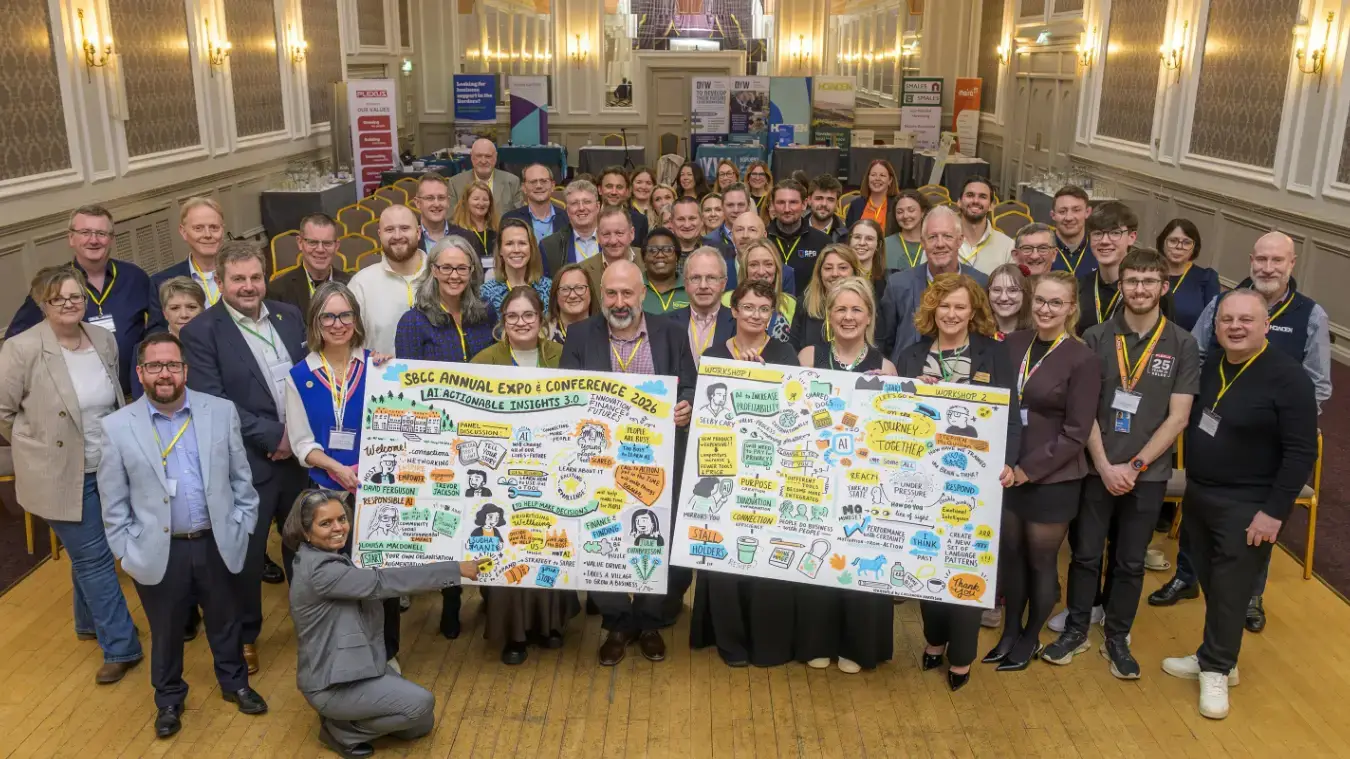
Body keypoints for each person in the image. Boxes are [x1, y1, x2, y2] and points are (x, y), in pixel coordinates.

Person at [1151, 231, 1332, 625]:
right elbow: (1195, 356)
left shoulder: (1310, 314)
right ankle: (1187, 577)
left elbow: (1318, 382)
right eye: (1261, 260)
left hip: (1266, 441)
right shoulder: (1221, 303)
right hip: (1212, 430)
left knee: (1254, 527)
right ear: (1250, 260)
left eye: (1277, 261)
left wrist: (1287, 422)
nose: (1267, 268)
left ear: (1292, 264)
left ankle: (1250, 597)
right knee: (1198, 507)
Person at [1041, 248, 1199, 679]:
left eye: (1150, 281)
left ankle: (1118, 635)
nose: (1140, 289)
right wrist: (1107, 465)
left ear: (1163, 287)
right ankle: (1076, 628)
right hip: (1096, 468)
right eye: (1133, 281)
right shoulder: (1094, 337)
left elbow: (1179, 416)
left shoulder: (1183, 343)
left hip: (1148, 475)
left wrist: (1135, 466)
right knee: (1086, 554)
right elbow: (1083, 409)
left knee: (1130, 560)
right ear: (1122, 285)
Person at [98, 332, 264, 737]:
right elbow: (113, 501)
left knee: (226, 621)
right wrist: (127, 550)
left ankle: (235, 683)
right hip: (158, 549)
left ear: (185, 369)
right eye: (154, 366)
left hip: (217, 540)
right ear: (140, 373)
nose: (165, 374)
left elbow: (242, 480)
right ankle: (169, 699)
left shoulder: (220, 412)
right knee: (167, 629)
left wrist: (243, 526)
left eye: (172, 365)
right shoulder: (117, 427)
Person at [1161, 289, 1316, 720]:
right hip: (1201, 493)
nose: (1235, 326)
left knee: (1231, 589)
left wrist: (1274, 512)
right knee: (1211, 580)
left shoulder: (1289, 378)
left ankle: (1217, 668)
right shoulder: (1211, 367)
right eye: (1227, 319)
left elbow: (1302, 453)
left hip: (1250, 504)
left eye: (1246, 320)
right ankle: (1215, 653)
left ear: (1266, 325)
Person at [0, 265, 144, 683]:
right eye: (58, 298)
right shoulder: (21, 349)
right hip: (59, 471)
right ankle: (121, 646)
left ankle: (86, 622)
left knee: (91, 552)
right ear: (42, 304)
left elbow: (114, 398)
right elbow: (3, 414)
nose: (69, 303)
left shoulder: (102, 338)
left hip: (107, 462)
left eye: (75, 296)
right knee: (95, 558)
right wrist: (37, 443)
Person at [181, 241, 308, 675]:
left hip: (301, 459)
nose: (248, 286)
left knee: (304, 547)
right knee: (247, 558)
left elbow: (314, 374)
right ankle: (246, 636)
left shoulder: (289, 317)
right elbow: (213, 402)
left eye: (255, 277)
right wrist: (275, 437)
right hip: (248, 464)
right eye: (238, 279)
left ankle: (310, 621)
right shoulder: (201, 332)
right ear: (220, 281)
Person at [559, 261, 695, 666]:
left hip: (658, 462)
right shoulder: (581, 334)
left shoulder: (670, 332)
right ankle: (617, 621)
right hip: (599, 463)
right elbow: (569, 391)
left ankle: (650, 620)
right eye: (612, 294)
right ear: (602, 296)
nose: (620, 303)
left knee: (658, 540)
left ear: (642, 294)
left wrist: (685, 404)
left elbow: (687, 381)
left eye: (628, 294)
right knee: (604, 539)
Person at [895, 273, 1020, 691]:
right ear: (933, 309)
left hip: (978, 484)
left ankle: (962, 656)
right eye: (944, 305)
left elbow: (1012, 417)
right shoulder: (912, 355)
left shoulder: (993, 354)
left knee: (966, 564)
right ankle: (934, 639)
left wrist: (1010, 463)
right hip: (923, 480)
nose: (951, 313)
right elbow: (896, 413)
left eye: (960, 307)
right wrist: (917, 393)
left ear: (973, 312)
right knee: (927, 559)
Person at [286, 489, 480, 757]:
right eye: (325, 523)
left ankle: (347, 720)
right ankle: (341, 732)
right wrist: (453, 569)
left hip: (356, 667)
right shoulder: (322, 571)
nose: (338, 528)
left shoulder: (320, 555)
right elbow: (381, 583)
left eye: (342, 519)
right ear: (305, 531)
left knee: (421, 725)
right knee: (422, 704)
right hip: (332, 684)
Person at [983, 271, 1100, 672]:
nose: (1046, 310)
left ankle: (1031, 636)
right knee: (1012, 557)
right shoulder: (1013, 343)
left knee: (1041, 562)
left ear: (1071, 308)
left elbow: (1076, 433)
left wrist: (1027, 471)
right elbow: (992, 401)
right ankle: (1009, 631)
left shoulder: (1082, 358)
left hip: (1052, 476)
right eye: (1040, 301)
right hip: (1007, 470)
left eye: (1056, 303)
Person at [689, 279, 798, 667]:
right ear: (733, 311)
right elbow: (704, 409)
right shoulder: (715, 353)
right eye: (748, 307)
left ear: (773, 315)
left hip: (770, 469)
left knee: (766, 553)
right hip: (723, 466)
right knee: (724, 556)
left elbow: (794, 411)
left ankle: (766, 640)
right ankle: (730, 642)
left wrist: (764, 375)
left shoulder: (784, 353)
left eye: (764, 309)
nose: (755, 315)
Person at [471, 287, 580, 663]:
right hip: (501, 472)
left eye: (529, 315)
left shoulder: (564, 357)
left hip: (553, 469)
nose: (521, 322)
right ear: (503, 322)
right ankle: (513, 634)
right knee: (510, 547)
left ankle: (549, 623)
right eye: (513, 316)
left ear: (542, 319)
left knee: (549, 543)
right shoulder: (484, 360)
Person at [394, 236, 495, 639]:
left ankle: (492, 590)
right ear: (432, 271)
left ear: (473, 272)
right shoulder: (413, 321)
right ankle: (451, 598)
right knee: (451, 522)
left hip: (487, 433)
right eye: (446, 268)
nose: (454, 275)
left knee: (488, 515)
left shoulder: (485, 316)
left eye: (462, 268)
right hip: (438, 440)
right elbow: (405, 384)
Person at [795, 277, 896, 673]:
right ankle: (817, 640)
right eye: (841, 309)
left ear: (869, 316)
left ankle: (857, 645)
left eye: (857, 310)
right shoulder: (807, 356)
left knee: (859, 558)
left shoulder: (885, 366)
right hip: (815, 477)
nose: (848, 317)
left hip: (862, 483)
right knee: (818, 557)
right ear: (829, 315)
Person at [6, 204, 153, 393]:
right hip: (78, 402)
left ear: (111, 239)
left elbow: (157, 326)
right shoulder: (51, 285)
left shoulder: (135, 277)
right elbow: (16, 341)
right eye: (85, 232)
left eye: (101, 233)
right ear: (71, 238)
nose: (93, 240)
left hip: (133, 394)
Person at [880, 206, 990, 364]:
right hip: (907, 378)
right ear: (922, 243)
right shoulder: (898, 284)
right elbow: (884, 343)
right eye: (932, 237)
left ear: (960, 241)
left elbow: (984, 335)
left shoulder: (980, 283)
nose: (940, 244)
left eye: (947, 236)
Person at [348, 204, 427, 355]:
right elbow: (348, 344)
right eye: (389, 230)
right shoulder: (361, 284)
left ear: (418, 232)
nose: (397, 236)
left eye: (404, 228)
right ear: (379, 234)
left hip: (436, 376)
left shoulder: (441, 276)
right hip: (380, 376)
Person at [150, 198, 225, 325]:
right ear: (183, 232)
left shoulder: (246, 276)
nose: (207, 234)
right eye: (198, 228)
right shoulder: (161, 283)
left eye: (214, 227)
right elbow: (157, 331)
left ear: (222, 230)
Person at [132, 278, 206, 400]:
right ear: (165, 313)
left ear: (203, 311)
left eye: (191, 307)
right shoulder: (144, 349)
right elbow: (140, 398)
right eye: (175, 308)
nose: (184, 314)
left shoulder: (217, 344)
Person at [269, 213, 353, 315]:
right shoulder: (278, 291)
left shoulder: (351, 286)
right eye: (312, 242)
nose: (320, 249)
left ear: (336, 246)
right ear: (300, 243)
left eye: (327, 243)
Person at [667, 247, 736, 366]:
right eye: (696, 278)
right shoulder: (666, 324)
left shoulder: (739, 324)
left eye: (711, 278)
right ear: (685, 284)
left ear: (723, 284)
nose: (703, 285)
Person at [1076, 201, 1136, 336]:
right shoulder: (1078, 287)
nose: (1104, 241)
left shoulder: (1146, 291)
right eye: (1097, 233)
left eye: (1114, 233)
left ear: (1131, 238)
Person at [790, 243, 862, 351]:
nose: (835, 273)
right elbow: (793, 347)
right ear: (819, 273)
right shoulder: (805, 303)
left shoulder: (866, 304)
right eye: (828, 268)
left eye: (842, 268)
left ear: (854, 272)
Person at [767, 179, 833, 294]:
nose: (787, 209)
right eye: (781, 202)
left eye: (793, 202)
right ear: (772, 204)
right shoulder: (762, 239)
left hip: (808, 310)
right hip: (768, 309)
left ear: (804, 204)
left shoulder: (823, 242)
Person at [727, 238, 798, 343]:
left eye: (768, 264)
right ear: (745, 268)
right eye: (753, 265)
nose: (761, 272)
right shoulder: (725, 300)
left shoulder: (791, 304)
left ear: (777, 268)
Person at [1157, 218, 1221, 331]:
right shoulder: (1151, 272)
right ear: (1163, 243)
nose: (1179, 247)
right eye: (1173, 241)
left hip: (1188, 345)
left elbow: (1211, 325)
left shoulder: (1206, 278)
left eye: (1186, 243)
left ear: (1194, 248)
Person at [481, 217, 552, 312]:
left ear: (531, 248)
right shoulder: (486, 293)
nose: (516, 250)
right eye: (509, 244)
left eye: (522, 243)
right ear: (500, 250)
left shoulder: (548, 289)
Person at [540, 179, 602, 274]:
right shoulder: (549, 246)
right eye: (574, 203)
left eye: (587, 202)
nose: (581, 208)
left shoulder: (615, 240)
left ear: (598, 207)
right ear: (568, 210)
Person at [956, 177, 1014, 274]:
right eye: (970, 195)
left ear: (991, 206)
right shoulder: (941, 241)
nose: (975, 201)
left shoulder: (1008, 246)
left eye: (982, 197)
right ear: (959, 202)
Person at [580, 206, 647, 291]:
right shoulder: (584, 270)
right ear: (598, 236)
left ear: (632, 233)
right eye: (606, 234)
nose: (613, 241)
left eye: (619, 233)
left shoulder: (648, 261)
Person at [447, 138, 523, 212]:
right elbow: (451, 219)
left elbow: (518, 217)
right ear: (472, 157)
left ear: (495, 157)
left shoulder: (513, 182)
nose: (483, 161)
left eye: (488, 156)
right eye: (479, 156)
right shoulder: (455, 183)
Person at [501, 164, 564, 245]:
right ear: (524, 188)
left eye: (544, 181)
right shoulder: (509, 219)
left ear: (552, 186)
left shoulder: (567, 218)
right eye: (533, 182)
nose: (539, 186)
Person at [447, 179, 499, 269]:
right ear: (466, 201)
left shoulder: (497, 229)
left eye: (485, 199)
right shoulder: (456, 232)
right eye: (476, 199)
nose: (481, 203)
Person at [596, 165, 651, 246]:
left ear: (627, 191)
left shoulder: (640, 221)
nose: (614, 192)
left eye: (619, 187)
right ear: (600, 189)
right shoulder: (590, 218)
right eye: (609, 186)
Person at [845, 159, 900, 236]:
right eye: (873, 175)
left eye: (882, 175)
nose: (877, 178)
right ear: (868, 178)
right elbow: (848, 235)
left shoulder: (897, 204)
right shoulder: (856, 205)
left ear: (890, 180)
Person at [546, 263, 599, 343]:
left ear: (590, 291)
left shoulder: (608, 332)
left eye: (579, 288)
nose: (573, 295)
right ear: (555, 295)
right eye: (565, 289)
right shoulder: (542, 334)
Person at [1050, 186, 1097, 275]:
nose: (1069, 218)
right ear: (1053, 215)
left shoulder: (1100, 247)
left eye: (1076, 210)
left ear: (1087, 212)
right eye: (1062, 211)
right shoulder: (1041, 248)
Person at [641, 227, 688, 314]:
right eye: (653, 250)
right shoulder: (634, 288)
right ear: (644, 258)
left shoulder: (691, 287)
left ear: (677, 257)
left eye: (667, 250)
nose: (660, 255)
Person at [883, 189, 930, 272]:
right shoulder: (885, 245)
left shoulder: (934, 243)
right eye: (900, 212)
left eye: (911, 210)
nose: (905, 215)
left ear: (923, 212)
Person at [411, 173, 456, 252]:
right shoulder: (407, 239)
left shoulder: (466, 237)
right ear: (417, 203)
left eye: (441, 198)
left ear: (448, 201)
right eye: (429, 198)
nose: (436, 204)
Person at [987, 262, 1032, 340]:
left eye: (1012, 290)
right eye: (996, 290)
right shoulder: (975, 331)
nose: (1003, 298)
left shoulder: (1037, 334)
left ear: (1025, 294)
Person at [849, 219, 888, 294]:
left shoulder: (888, 281)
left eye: (869, 239)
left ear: (878, 245)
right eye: (857, 237)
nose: (862, 243)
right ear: (850, 240)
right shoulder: (839, 275)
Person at [806, 175, 847, 242]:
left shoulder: (846, 235)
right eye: (819, 198)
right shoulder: (795, 229)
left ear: (836, 203)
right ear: (809, 200)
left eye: (830, 199)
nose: (824, 204)